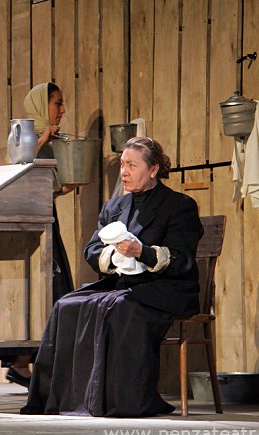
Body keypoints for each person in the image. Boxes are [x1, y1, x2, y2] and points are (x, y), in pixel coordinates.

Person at [21, 137, 204, 417]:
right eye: (122, 165)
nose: (124, 172)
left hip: (166, 288)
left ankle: (122, 401)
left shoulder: (179, 205)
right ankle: (65, 399)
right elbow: (92, 250)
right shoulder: (114, 207)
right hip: (123, 285)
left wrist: (141, 251)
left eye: (132, 165)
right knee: (66, 305)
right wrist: (114, 256)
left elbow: (182, 258)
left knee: (121, 307)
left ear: (153, 170)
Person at [0, 82, 74, 387]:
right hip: (27, 227)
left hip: (45, 218)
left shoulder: (50, 140)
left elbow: (42, 186)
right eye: (57, 103)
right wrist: (42, 139)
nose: (62, 110)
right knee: (36, 290)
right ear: (43, 106)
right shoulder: (23, 136)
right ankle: (22, 364)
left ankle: (35, 366)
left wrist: (63, 188)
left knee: (54, 290)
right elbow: (16, 174)